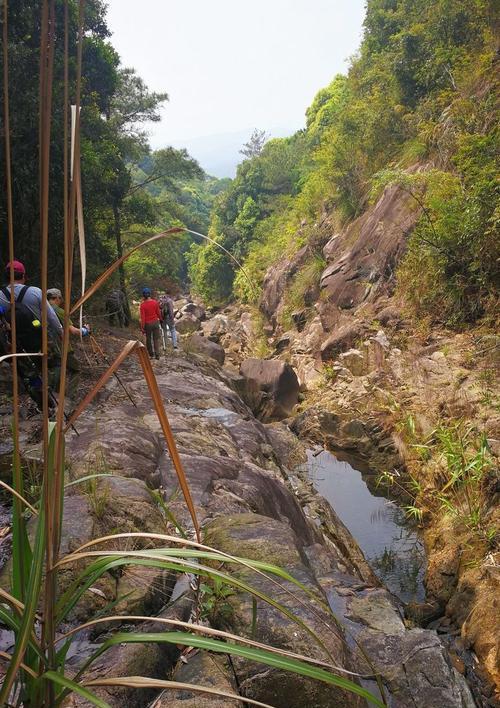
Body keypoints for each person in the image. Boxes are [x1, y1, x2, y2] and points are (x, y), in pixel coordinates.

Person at [0, 260, 62, 352]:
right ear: (23, 275)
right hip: (37, 342)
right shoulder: (35, 292)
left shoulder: (0, 295)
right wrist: (61, 332)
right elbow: (51, 316)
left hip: (14, 345)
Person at [140, 287, 162, 360]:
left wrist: (142, 327)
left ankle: (151, 354)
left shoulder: (142, 305)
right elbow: (158, 313)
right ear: (150, 294)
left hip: (148, 324)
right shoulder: (155, 302)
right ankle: (157, 355)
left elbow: (143, 318)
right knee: (156, 339)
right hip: (155, 322)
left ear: (143, 295)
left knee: (148, 339)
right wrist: (161, 319)